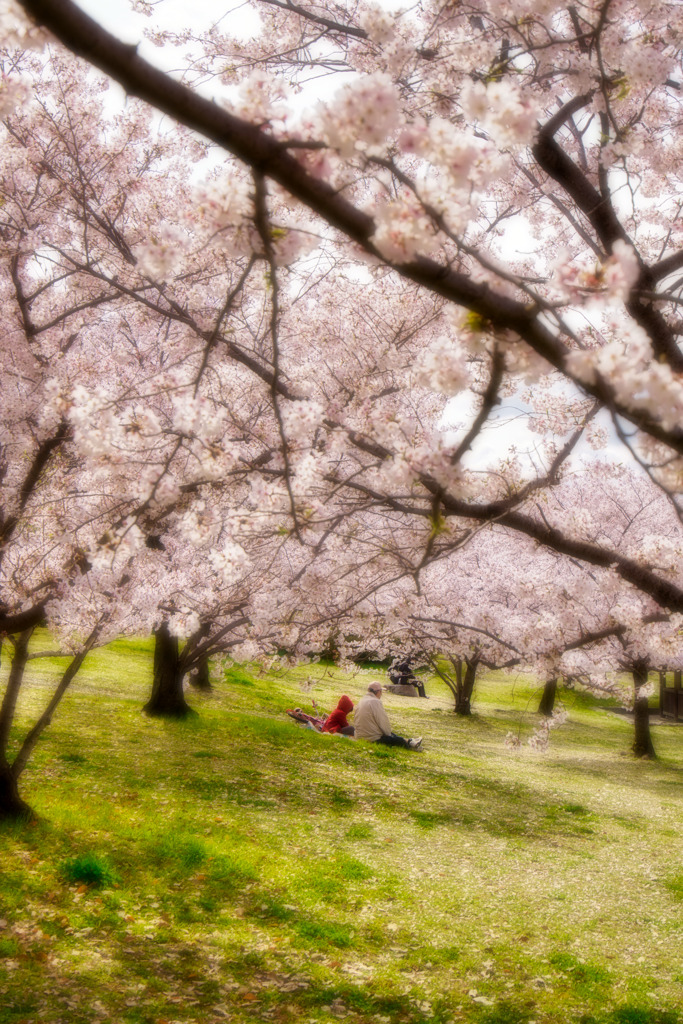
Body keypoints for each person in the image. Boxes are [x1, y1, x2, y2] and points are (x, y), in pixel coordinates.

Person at [353, 682, 422, 749]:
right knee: (398, 740)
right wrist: (389, 735)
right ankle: (411, 744)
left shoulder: (362, 700)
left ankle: (410, 741)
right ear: (378, 692)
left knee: (394, 736)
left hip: (359, 736)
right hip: (372, 739)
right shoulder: (375, 702)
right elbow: (383, 722)